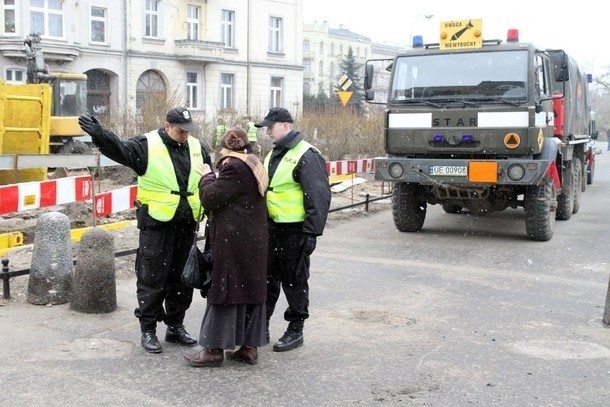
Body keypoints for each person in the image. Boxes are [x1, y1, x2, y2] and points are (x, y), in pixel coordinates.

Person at [78, 107, 212, 354]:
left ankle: (175, 326)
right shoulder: (146, 144)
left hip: (187, 222)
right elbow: (120, 150)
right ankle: (148, 329)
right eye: (180, 130)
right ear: (167, 125)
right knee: (152, 278)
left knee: (183, 278)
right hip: (157, 223)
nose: (184, 135)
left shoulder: (197, 147)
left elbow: (207, 178)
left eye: (187, 131)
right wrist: (100, 134)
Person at [183, 127, 269, 367]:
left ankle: (213, 350)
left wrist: (207, 176)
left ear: (229, 149)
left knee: (225, 290)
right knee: (250, 290)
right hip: (253, 240)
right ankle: (248, 348)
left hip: (235, 242)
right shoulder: (254, 163)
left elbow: (210, 198)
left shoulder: (234, 167)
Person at [255, 107, 331, 352]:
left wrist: (311, 232)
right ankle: (261, 325)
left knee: (294, 280)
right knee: (267, 280)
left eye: (271, 127)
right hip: (271, 228)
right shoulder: (273, 154)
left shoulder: (307, 155)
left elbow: (318, 196)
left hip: (295, 230)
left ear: (286, 126)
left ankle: (295, 329)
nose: (267, 132)